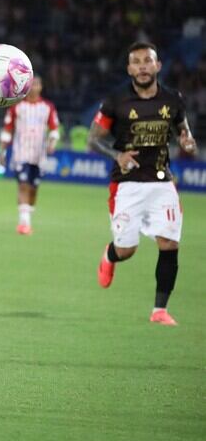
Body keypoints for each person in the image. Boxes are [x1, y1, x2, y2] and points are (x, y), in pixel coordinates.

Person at [88, 41, 197, 326]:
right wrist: (118, 154)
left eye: (147, 61)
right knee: (127, 250)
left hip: (162, 181)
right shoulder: (115, 100)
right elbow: (93, 139)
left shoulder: (173, 99)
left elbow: (182, 127)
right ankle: (110, 256)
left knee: (169, 243)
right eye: (136, 62)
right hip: (127, 184)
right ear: (129, 69)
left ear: (157, 66)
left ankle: (159, 310)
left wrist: (187, 139)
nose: (142, 66)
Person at [0, 76, 60, 235]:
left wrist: (52, 143)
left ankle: (27, 216)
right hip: (21, 153)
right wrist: (1, 150)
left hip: (39, 154)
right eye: (30, 85)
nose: (33, 88)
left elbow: (54, 129)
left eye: (36, 84)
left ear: (41, 87)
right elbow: (7, 129)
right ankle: (24, 223)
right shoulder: (16, 106)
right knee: (23, 184)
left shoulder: (48, 107)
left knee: (34, 187)